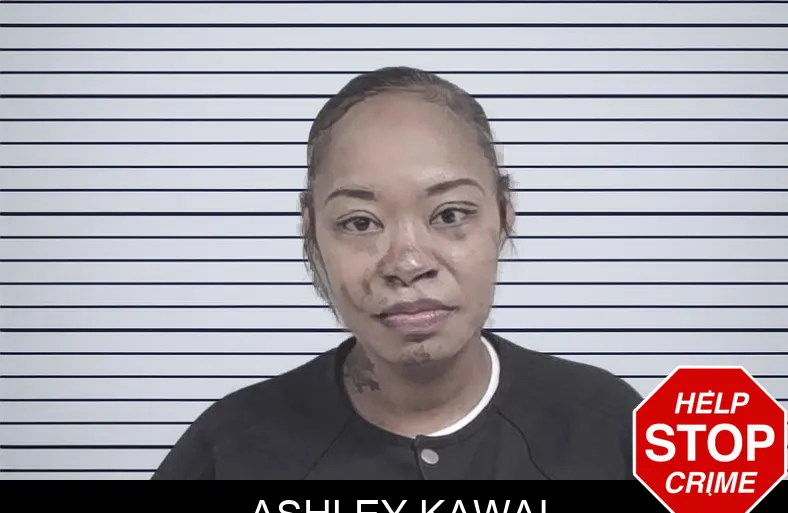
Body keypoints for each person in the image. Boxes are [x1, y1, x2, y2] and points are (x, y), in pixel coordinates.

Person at [152, 66, 643, 480]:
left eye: (450, 214)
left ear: (504, 211)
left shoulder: (616, 427)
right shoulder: (229, 451)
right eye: (360, 223)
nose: (408, 264)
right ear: (311, 230)